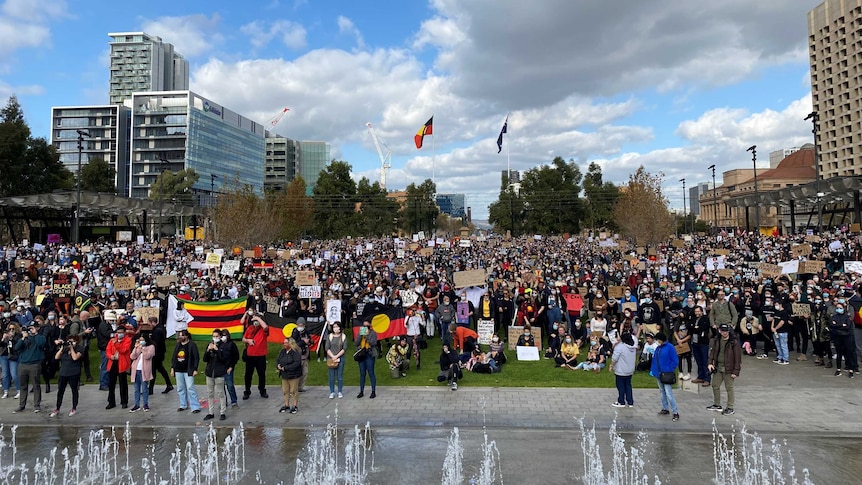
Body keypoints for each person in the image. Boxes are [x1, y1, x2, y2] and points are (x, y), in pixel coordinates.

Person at [707, 323, 742, 416]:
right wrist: (710, 363)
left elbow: (738, 358)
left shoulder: (733, 342)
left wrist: (736, 371)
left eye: (726, 331)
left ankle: (730, 407)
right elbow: (713, 351)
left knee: (729, 388)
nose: (724, 333)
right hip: (718, 367)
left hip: (729, 368)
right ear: (719, 331)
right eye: (722, 331)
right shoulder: (717, 339)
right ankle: (717, 404)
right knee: (715, 385)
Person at [13, 323, 45, 413]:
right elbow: (16, 348)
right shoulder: (24, 338)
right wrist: (23, 338)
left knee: (36, 386)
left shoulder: (40, 337)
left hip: (34, 364)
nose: (31, 329)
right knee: (23, 386)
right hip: (23, 364)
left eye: (33, 327)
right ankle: (21, 405)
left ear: (37, 328)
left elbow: (41, 343)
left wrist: (35, 334)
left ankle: (37, 405)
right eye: (30, 328)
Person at [50, 334, 83, 417]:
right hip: (63, 373)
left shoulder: (79, 348)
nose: (70, 343)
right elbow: (56, 357)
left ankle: (74, 407)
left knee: (74, 390)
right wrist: (62, 347)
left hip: (74, 373)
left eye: (72, 341)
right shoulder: (64, 349)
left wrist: (72, 349)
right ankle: (57, 408)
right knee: (60, 391)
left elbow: (75, 357)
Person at [650, 332, 680, 422]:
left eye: (657, 340)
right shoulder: (658, 348)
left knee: (668, 393)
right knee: (662, 392)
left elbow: (675, 360)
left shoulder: (670, 347)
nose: (656, 341)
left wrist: (669, 369)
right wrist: (654, 371)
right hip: (659, 373)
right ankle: (665, 408)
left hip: (666, 373)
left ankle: (675, 412)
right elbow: (655, 360)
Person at [171, 329, 201, 414]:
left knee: (190, 387)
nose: (180, 337)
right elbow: (174, 357)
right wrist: (173, 368)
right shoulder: (178, 345)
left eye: (182, 335)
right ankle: (183, 404)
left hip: (188, 370)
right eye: (180, 335)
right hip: (178, 369)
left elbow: (196, 357)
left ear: (187, 336)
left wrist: (195, 369)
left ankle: (195, 406)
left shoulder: (192, 345)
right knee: (180, 388)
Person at [241, 310, 270, 400]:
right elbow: (243, 338)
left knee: (261, 374)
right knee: (248, 374)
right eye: (255, 320)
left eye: (257, 320)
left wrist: (258, 317)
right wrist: (248, 341)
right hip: (250, 355)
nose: (256, 322)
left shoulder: (263, 330)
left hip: (261, 355)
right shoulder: (250, 328)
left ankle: (262, 390)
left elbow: (265, 327)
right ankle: (247, 391)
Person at [203, 329, 229, 421]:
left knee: (220, 393)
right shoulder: (210, 345)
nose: (215, 338)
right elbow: (205, 359)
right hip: (210, 373)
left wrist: (217, 350)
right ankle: (211, 412)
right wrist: (208, 350)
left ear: (220, 337)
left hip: (219, 373)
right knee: (210, 393)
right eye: (213, 336)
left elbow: (223, 359)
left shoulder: (224, 346)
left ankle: (223, 412)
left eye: (217, 336)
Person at [105, 324, 133, 410]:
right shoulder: (112, 340)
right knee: (111, 384)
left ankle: (124, 401)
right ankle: (111, 402)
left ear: (124, 333)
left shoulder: (128, 340)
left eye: (121, 333)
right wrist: (110, 356)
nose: (119, 334)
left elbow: (123, 350)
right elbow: (108, 350)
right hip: (113, 363)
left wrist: (116, 343)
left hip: (122, 364)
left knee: (123, 383)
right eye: (118, 332)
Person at [830, 301, 858, 378]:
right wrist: (842, 325)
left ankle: (851, 369)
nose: (839, 309)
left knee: (849, 353)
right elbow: (832, 324)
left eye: (840, 308)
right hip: (838, 337)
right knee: (839, 353)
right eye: (837, 308)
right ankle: (838, 369)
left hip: (847, 337)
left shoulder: (847, 316)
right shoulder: (834, 316)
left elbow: (848, 326)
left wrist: (837, 325)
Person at [129, 333, 155, 413]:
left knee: (144, 389)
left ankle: (145, 404)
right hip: (136, 370)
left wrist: (142, 349)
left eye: (142, 340)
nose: (141, 342)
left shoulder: (151, 347)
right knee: (136, 389)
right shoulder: (138, 347)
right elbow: (132, 357)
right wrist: (135, 348)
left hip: (144, 371)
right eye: (140, 340)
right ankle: (137, 405)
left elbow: (148, 356)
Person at [276, 337, 302, 413]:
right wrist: (278, 365)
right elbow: (278, 359)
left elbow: (296, 363)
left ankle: (295, 405)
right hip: (284, 375)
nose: (284, 344)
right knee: (285, 390)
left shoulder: (295, 353)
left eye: (286, 343)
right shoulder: (282, 351)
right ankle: (286, 405)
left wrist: (286, 368)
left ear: (291, 343)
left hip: (293, 375)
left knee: (294, 390)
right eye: (283, 343)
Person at [148, 316, 173, 395]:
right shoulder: (161, 328)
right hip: (160, 353)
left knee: (154, 370)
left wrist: (149, 340)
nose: (149, 326)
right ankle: (168, 384)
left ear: (153, 322)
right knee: (160, 369)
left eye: (149, 324)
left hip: (157, 354)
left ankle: (151, 388)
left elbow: (156, 343)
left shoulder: (157, 331)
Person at [611, 332, 638, 407]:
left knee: (620, 386)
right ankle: (630, 402)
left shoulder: (620, 347)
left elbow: (614, 358)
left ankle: (621, 401)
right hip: (630, 370)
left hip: (621, 370)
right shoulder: (633, 347)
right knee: (628, 385)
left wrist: (611, 365)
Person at [354, 319, 378, 398]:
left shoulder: (373, 333)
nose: (365, 328)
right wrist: (361, 335)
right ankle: (361, 391)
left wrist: (367, 336)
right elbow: (356, 343)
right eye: (363, 326)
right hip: (362, 355)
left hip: (369, 354)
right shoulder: (361, 333)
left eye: (366, 326)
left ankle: (373, 391)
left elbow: (373, 343)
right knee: (362, 373)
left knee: (371, 373)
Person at [324, 321, 347, 398]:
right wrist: (332, 356)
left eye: (337, 327)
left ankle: (340, 391)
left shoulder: (343, 336)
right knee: (331, 376)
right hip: (331, 358)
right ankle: (332, 392)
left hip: (340, 358)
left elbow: (344, 348)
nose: (335, 328)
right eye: (334, 327)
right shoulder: (329, 336)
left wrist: (337, 356)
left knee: (339, 375)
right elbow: (327, 348)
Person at [689, 306, 711, 385]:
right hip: (695, 343)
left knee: (705, 361)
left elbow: (703, 328)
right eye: (696, 311)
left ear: (702, 311)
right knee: (698, 361)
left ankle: (707, 379)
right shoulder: (694, 319)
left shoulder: (705, 319)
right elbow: (690, 328)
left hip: (703, 343)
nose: (697, 313)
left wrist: (695, 328)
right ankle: (700, 376)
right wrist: (695, 327)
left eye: (698, 311)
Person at [220, 328, 241, 408]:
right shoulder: (219, 344)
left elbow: (236, 357)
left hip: (228, 368)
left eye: (225, 335)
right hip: (221, 368)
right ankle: (223, 402)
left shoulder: (232, 345)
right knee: (221, 386)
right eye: (222, 335)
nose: (223, 337)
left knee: (230, 385)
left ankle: (234, 401)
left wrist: (231, 366)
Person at [290, 317, 311, 393]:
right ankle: (293, 388)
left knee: (304, 372)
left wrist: (309, 342)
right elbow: (295, 344)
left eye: (302, 325)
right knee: (296, 373)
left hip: (305, 355)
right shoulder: (295, 332)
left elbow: (310, 340)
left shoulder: (306, 332)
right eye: (299, 325)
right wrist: (304, 342)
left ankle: (300, 387)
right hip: (297, 356)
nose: (300, 326)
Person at [1, 323, 21, 399]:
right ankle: (6, 391)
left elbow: (17, 346)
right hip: (4, 355)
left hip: (13, 356)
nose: (11, 331)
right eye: (10, 329)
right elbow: (1, 345)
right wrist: (3, 338)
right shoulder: (6, 335)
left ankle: (19, 390)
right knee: (5, 374)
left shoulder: (18, 336)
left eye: (13, 329)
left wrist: (12, 338)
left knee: (14, 374)